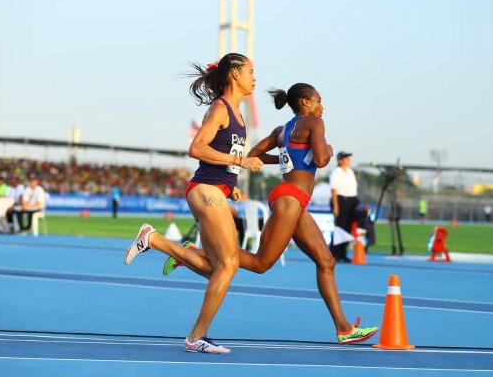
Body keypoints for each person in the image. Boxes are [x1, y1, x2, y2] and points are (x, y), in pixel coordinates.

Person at [153, 83, 378, 347]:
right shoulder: (314, 124)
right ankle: (194, 253)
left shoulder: (282, 131)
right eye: (318, 100)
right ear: (305, 103)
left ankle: (344, 329)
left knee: (326, 261)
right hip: (290, 199)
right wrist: (327, 151)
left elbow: (254, 153)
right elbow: (319, 160)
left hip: (291, 198)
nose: (322, 105)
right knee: (261, 263)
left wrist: (286, 158)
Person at [123, 53, 263, 354]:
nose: (255, 77)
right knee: (230, 264)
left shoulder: (237, 115)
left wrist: (232, 185)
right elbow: (197, 148)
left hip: (216, 190)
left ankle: (157, 241)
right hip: (205, 189)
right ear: (234, 74)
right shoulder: (220, 108)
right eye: (251, 71)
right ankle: (195, 337)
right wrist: (240, 161)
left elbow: (220, 154)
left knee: (218, 269)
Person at [329, 152, 360, 263]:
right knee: (340, 229)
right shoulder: (336, 172)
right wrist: (336, 206)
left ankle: (343, 253)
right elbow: (334, 190)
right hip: (341, 201)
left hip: (351, 201)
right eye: (346, 158)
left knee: (347, 229)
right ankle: (334, 253)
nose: (348, 160)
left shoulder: (350, 172)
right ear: (340, 160)